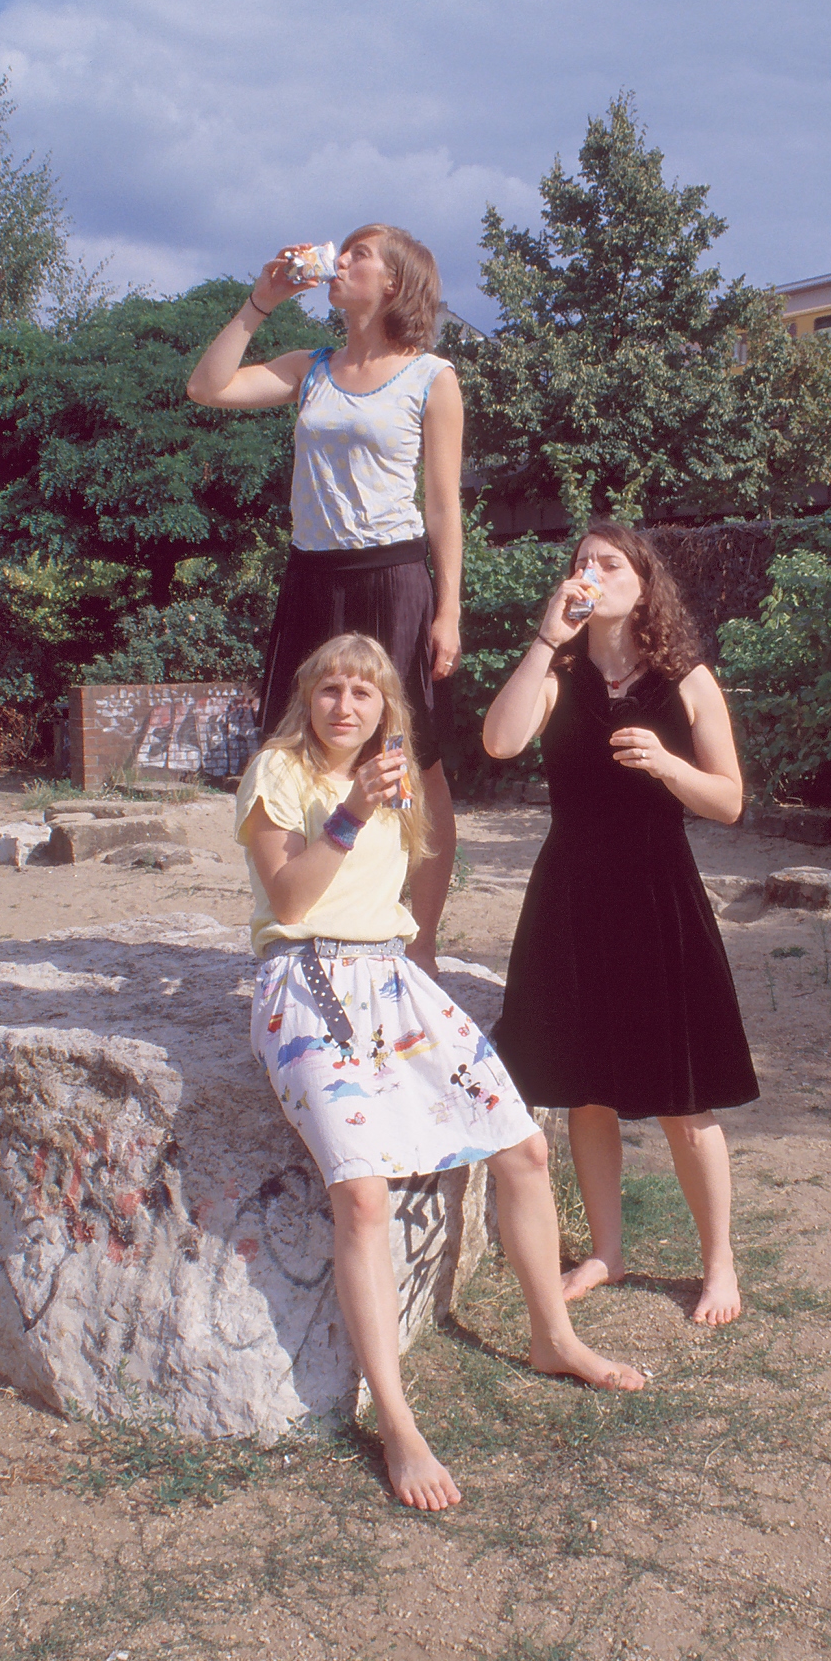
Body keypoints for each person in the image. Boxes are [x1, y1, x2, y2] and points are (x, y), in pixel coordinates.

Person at [236, 631, 645, 1511]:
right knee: (363, 1193)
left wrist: (420, 951)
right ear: (308, 698)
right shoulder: (276, 774)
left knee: (523, 1145)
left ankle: (552, 1335)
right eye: (331, 689)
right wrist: (345, 812)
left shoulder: (402, 775)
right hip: (305, 982)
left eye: (365, 693)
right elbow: (291, 900)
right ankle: (397, 1421)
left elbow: (419, 872)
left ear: (387, 709)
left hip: (390, 976)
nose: (346, 706)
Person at [481, 523, 759, 1328]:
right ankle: (607, 1249)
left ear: (643, 581)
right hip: (570, 894)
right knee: (585, 1091)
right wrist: (544, 637)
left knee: (682, 1096)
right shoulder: (558, 671)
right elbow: (499, 741)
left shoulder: (687, 679)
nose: (590, 573)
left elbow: (732, 801)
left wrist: (670, 767)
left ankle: (718, 1264)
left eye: (609, 563)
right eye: (579, 564)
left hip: (656, 894)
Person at [188, 224, 461, 976]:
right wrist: (259, 303)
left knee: (413, 757)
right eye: (340, 254)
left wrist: (449, 611)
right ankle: (302, 917)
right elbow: (206, 388)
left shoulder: (431, 378)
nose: (338, 264)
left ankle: (423, 941)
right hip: (312, 574)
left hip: (394, 576)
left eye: (358, 256)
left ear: (395, 282)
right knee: (294, 742)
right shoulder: (310, 367)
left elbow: (442, 507)